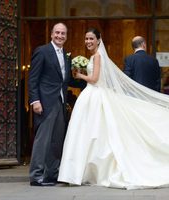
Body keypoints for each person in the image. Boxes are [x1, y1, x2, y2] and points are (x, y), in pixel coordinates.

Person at [58, 28, 169, 190]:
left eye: (91, 39)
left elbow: (95, 79)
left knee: (92, 132)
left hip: (94, 95)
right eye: (86, 39)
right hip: (93, 96)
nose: (88, 41)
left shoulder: (97, 57)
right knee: (91, 133)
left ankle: (82, 171)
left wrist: (79, 75)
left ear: (98, 40)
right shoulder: (97, 56)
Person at [28, 22, 72, 186]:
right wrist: (35, 100)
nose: (60, 36)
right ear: (52, 34)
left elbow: (65, 79)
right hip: (45, 102)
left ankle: (52, 174)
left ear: (66, 36)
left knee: (56, 140)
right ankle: (36, 175)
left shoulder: (66, 55)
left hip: (60, 102)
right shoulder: (42, 51)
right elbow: (33, 79)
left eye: (63, 33)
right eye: (57, 33)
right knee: (43, 139)